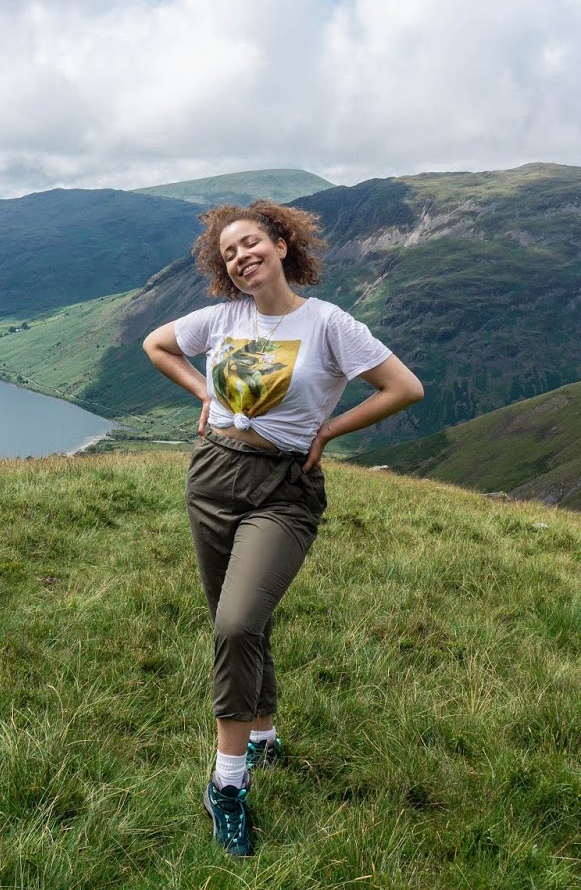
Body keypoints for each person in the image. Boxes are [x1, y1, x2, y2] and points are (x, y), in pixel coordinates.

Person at [142, 200, 424, 856]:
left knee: (236, 623)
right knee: (239, 623)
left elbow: (402, 386)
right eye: (229, 253)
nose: (241, 257)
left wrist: (328, 428)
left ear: (282, 245)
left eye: (251, 244)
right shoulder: (220, 318)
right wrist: (203, 394)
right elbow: (156, 346)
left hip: (283, 489)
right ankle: (262, 734)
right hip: (212, 474)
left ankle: (227, 783)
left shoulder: (328, 324)